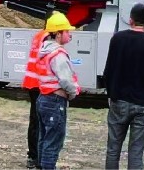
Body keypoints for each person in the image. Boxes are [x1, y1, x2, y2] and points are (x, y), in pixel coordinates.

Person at [103, 3, 144, 170]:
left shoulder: (117, 39)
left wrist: (110, 93)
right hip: (142, 102)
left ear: (130, 20)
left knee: (113, 149)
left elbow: (108, 70)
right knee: (136, 152)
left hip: (118, 100)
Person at [35, 11, 80, 170]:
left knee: (44, 139)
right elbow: (66, 80)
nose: (69, 34)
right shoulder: (58, 54)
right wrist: (73, 93)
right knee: (53, 142)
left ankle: (42, 166)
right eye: (67, 31)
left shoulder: (45, 51)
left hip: (43, 99)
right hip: (55, 101)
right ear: (58, 34)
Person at [21, 26, 47, 169]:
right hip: (39, 84)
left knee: (35, 121)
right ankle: (35, 157)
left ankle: (33, 156)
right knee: (39, 123)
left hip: (33, 83)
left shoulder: (39, 35)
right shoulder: (47, 38)